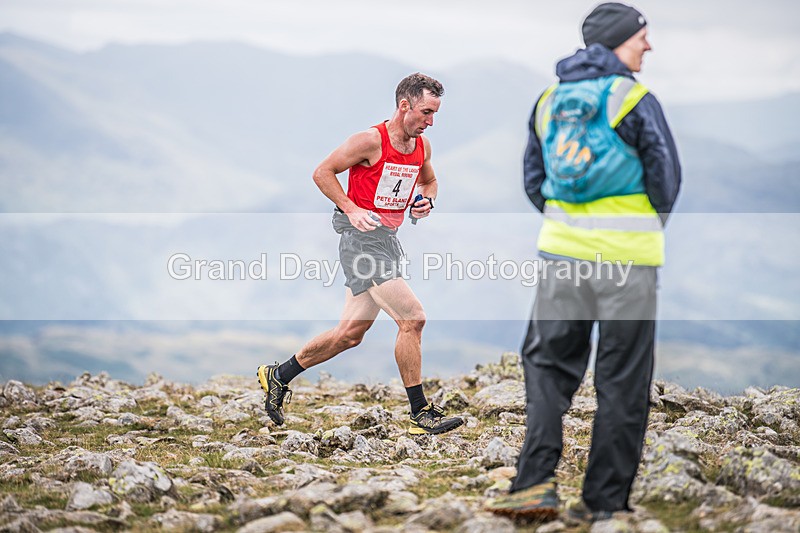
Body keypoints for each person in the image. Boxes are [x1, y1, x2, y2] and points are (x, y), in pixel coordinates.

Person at [485, 2, 681, 523]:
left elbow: (534, 181)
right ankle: (602, 504)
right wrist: (637, 229)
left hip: (561, 259)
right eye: (642, 36)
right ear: (620, 40)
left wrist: (567, 227)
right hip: (628, 265)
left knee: (548, 368)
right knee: (621, 382)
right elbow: (666, 180)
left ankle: (532, 485)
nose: (648, 46)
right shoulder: (635, 98)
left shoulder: (549, 100)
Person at [257, 73, 464, 436]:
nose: (431, 121)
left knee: (350, 334)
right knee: (412, 318)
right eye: (426, 112)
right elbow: (323, 173)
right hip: (359, 242)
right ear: (405, 106)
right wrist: (351, 208)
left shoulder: (422, 147)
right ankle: (420, 413)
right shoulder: (370, 140)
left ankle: (278, 375)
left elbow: (429, 181)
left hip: (387, 241)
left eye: (435, 114)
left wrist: (425, 200)